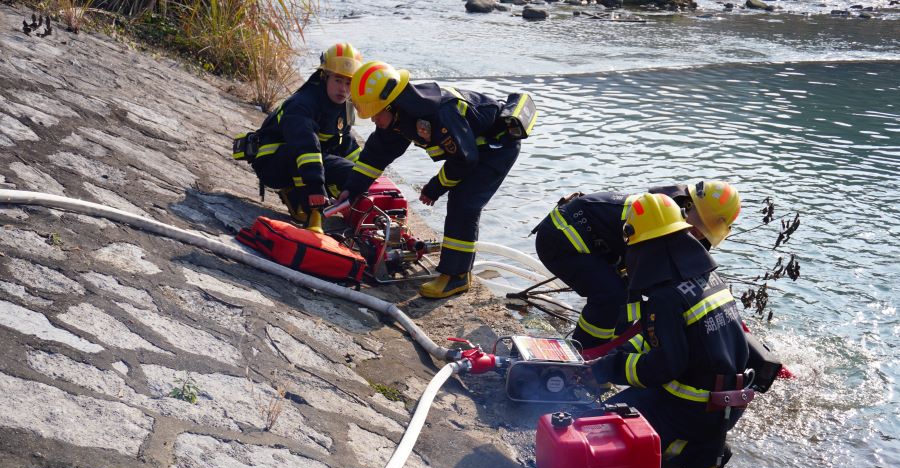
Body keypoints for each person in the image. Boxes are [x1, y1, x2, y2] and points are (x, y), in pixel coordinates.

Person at [589, 192, 750, 468]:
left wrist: (611, 367)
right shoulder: (708, 278)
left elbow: (666, 365)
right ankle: (697, 459)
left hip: (691, 410)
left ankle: (681, 451)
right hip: (724, 406)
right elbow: (673, 339)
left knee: (599, 425)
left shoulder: (666, 297)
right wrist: (619, 354)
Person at [338, 61, 524, 298]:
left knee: (464, 204)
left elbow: (464, 160)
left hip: (497, 147)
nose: (373, 121)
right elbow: (376, 155)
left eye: (374, 114)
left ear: (390, 105)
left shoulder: (437, 114)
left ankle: (456, 277)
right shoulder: (402, 114)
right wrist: (351, 190)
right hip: (471, 150)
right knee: (460, 201)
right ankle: (459, 272)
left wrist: (434, 188)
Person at [533, 181, 741, 351]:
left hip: (602, 246)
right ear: (688, 205)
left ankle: (611, 352)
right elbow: (644, 275)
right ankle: (584, 353)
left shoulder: (678, 218)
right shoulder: (657, 216)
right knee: (610, 296)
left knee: (627, 302)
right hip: (561, 237)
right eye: (700, 225)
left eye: (707, 231)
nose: (699, 234)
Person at [243, 42, 363, 233]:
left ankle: (310, 196)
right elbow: (305, 145)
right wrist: (316, 187)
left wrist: (363, 176)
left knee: (352, 173)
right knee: (306, 156)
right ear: (325, 76)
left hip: (306, 159)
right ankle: (305, 204)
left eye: (349, 83)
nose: (343, 89)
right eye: (338, 80)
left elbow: (345, 144)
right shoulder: (303, 103)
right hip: (273, 162)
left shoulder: (345, 107)